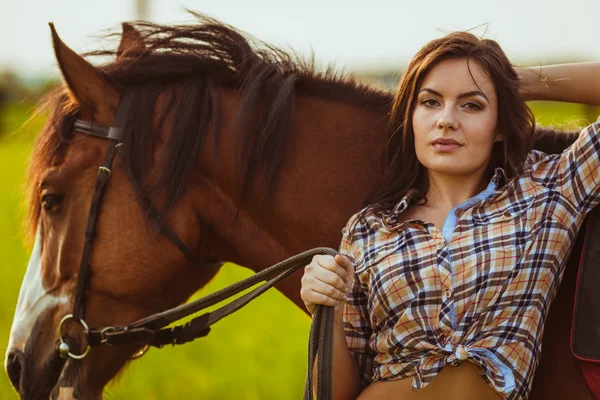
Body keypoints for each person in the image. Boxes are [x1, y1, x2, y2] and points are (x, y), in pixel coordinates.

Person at [300, 31, 600, 400]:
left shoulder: (549, 190)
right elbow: (330, 394)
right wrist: (326, 307)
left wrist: (515, 81)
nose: (446, 120)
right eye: (430, 102)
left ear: (502, 125)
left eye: (471, 105)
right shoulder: (368, 230)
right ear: (411, 116)